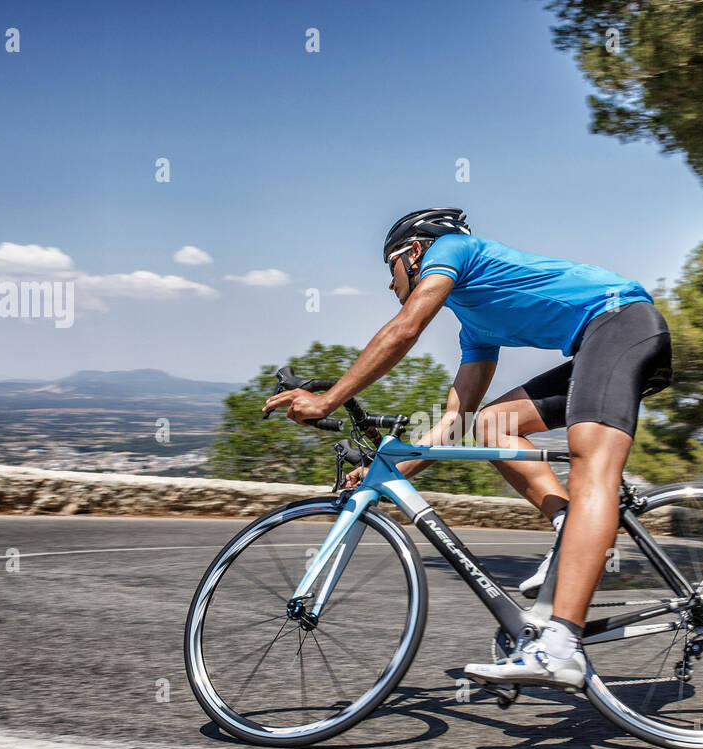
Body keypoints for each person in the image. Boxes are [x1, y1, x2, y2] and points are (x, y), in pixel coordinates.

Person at [261, 207, 672, 691]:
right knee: (493, 423)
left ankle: (561, 648)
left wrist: (328, 400)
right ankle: (568, 527)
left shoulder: (453, 248)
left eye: (391, 267)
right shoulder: (475, 326)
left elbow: (405, 328)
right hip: (602, 339)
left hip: (621, 324)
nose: (390, 282)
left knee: (591, 471)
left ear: (416, 252)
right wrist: (388, 469)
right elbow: (455, 423)